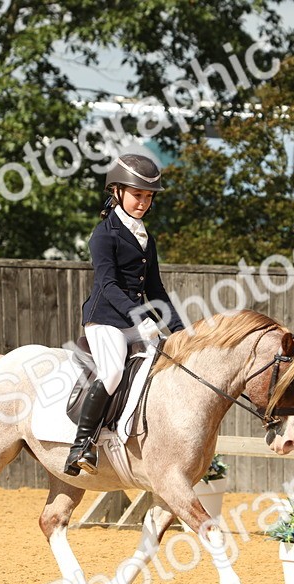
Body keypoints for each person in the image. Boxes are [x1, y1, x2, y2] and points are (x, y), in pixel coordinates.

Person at [64, 153, 186, 476]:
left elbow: (156, 290)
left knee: (164, 367)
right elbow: (108, 285)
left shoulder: (146, 238)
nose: (143, 202)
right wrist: (140, 317)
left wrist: (180, 331)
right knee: (113, 371)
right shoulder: (104, 234)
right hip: (105, 319)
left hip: (134, 320)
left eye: (149, 197)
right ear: (117, 191)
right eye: (137, 195)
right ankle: (81, 445)